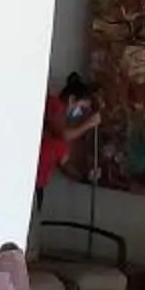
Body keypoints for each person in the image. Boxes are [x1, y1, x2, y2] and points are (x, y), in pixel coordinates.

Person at [38, 72, 98, 208]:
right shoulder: (54, 105)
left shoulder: (66, 133)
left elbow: (65, 164)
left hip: (38, 186)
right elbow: (63, 134)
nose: (81, 113)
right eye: (81, 108)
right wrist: (88, 124)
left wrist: (86, 177)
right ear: (72, 100)